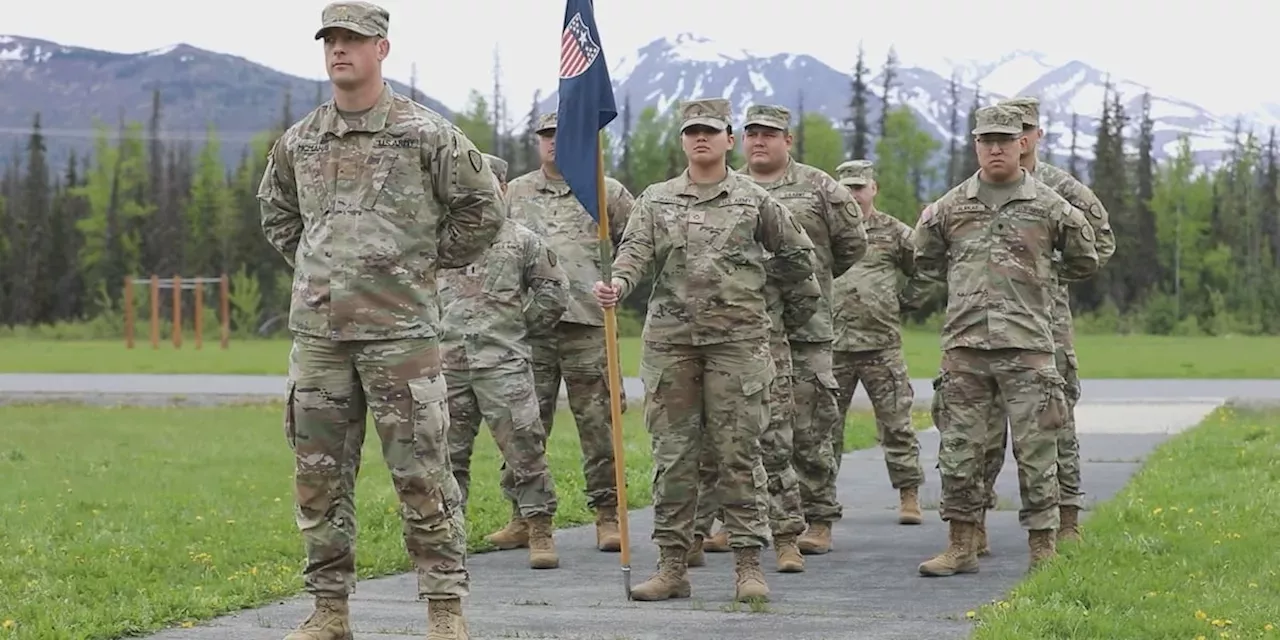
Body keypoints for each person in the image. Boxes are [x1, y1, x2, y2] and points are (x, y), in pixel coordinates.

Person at [257, 2, 503, 638]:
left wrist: (418, 266)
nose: (340, 50)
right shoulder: (301, 138)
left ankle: (445, 611)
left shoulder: (426, 134)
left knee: (423, 475)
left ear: (382, 49)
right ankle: (330, 610)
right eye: (331, 40)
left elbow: (483, 210)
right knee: (318, 480)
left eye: (353, 40)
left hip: (401, 338)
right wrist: (322, 275)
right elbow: (278, 212)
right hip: (320, 341)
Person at [592, 97, 816, 602]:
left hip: (738, 345)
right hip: (672, 346)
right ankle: (673, 566)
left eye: (711, 131)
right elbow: (633, 255)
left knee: (739, 455)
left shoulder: (752, 200)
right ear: (683, 141)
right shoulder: (657, 199)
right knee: (674, 458)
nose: (701, 139)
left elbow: (797, 254)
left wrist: (782, 313)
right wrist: (617, 286)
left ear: (729, 141)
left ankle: (747, 565)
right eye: (692, 131)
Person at [911, 104, 1099, 577]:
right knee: (959, 453)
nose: (995, 148)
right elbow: (925, 257)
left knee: (1037, 454)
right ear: (976, 145)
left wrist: (1037, 278)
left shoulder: (1050, 205)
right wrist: (966, 285)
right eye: (986, 140)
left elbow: (1085, 257)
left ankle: (1043, 548)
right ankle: (960, 545)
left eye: (1005, 139)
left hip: (1028, 348)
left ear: (1023, 143)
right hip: (966, 349)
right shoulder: (952, 205)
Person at [973, 97, 1118, 550]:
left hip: (1047, 323)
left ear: (1035, 134)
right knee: (982, 425)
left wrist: (1044, 273)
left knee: (1055, 421)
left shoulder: (1062, 189)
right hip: (987, 326)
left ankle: (1067, 518)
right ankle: (972, 522)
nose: (1020, 138)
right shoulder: (979, 188)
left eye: (1027, 129)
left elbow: (1101, 245)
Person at [731, 104, 868, 557]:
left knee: (811, 428)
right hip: (746, 329)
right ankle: (747, 519)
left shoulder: (820, 187)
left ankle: (818, 517)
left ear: (787, 140)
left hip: (806, 329)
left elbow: (851, 245)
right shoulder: (729, 187)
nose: (759, 141)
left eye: (769, 133)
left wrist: (814, 280)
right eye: (751, 133)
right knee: (747, 429)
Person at [503, 112, 633, 553]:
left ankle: (608, 514)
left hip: (589, 326)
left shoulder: (606, 191)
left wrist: (620, 285)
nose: (554, 143)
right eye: (546, 136)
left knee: (600, 426)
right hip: (530, 327)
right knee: (523, 427)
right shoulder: (514, 193)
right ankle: (524, 516)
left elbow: (636, 246)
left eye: (563, 134)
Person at [439, 210, 567, 570]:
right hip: (448, 365)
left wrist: (520, 329)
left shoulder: (521, 239)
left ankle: (538, 529)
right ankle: (448, 536)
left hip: (503, 365)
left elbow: (554, 291)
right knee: (446, 454)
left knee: (525, 447)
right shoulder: (439, 235)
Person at [691, 252, 822, 573]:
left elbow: (807, 292)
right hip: (713, 350)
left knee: (774, 445)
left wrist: (772, 325)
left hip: (766, 350)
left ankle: (787, 539)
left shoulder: (771, 231)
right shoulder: (708, 236)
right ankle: (694, 536)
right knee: (706, 447)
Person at [829, 159, 932, 525]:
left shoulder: (895, 232)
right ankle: (821, 504)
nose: (854, 195)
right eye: (848, 189)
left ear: (873, 189)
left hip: (881, 345)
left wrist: (905, 302)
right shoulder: (826, 231)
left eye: (860, 187)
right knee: (822, 431)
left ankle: (908, 495)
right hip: (832, 347)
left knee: (897, 425)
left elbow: (926, 267)